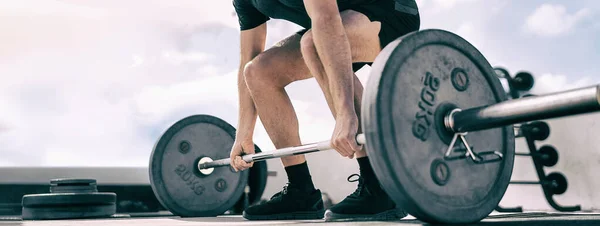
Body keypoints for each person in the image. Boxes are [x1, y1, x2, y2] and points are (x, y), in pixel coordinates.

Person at [228, 0, 420, 221]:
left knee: (314, 45)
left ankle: (378, 186)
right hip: (331, 27)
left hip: (391, 13)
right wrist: (244, 133)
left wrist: (345, 112)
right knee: (258, 71)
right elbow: (248, 57)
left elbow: (326, 19)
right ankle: (301, 191)